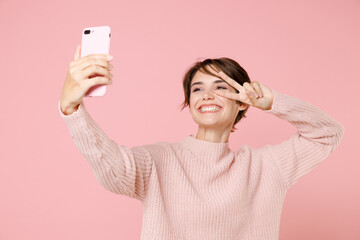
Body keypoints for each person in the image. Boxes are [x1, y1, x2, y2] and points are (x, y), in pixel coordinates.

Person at [59, 45, 344, 240]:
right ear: (190, 103)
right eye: (197, 89)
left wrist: (272, 102)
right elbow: (113, 172)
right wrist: (73, 110)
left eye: (221, 87)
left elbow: (327, 133)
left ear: (242, 103)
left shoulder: (267, 167)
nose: (207, 95)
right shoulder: (160, 160)